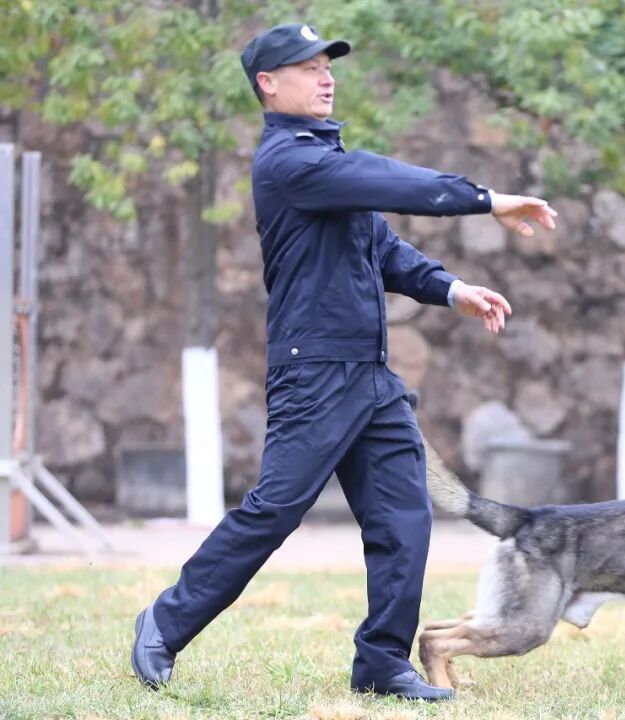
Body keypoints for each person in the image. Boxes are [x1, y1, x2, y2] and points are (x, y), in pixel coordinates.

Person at [130, 22, 557, 702]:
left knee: (402, 519)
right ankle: (164, 620)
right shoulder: (292, 164)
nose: (326, 75)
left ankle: (382, 663)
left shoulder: (329, 169)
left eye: (327, 64)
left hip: (369, 374)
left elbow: (381, 248)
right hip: (315, 371)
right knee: (274, 511)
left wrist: (451, 290)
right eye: (307, 67)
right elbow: (392, 183)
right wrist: (486, 199)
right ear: (268, 85)